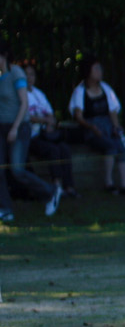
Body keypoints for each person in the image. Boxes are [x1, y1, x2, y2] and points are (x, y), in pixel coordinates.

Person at [0, 44, 54, 221]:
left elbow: (24, 103)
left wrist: (15, 128)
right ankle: (6, 209)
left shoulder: (16, 73)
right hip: (1, 128)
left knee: (17, 169)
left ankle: (49, 192)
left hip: (19, 127)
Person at [69, 57, 125, 195]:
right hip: (92, 130)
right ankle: (109, 183)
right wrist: (92, 127)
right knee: (110, 146)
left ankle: (124, 185)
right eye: (96, 68)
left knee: (120, 146)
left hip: (107, 127)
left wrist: (116, 127)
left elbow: (112, 111)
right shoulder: (80, 91)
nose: (99, 71)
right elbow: (78, 116)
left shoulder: (106, 88)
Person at [23, 64, 74, 207]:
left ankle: (69, 187)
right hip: (32, 136)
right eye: (26, 74)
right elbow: (26, 116)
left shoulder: (39, 94)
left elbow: (50, 113)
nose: (29, 78)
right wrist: (44, 120)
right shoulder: (21, 94)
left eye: (32, 74)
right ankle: (56, 186)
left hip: (47, 134)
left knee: (64, 148)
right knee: (53, 150)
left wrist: (50, 122)